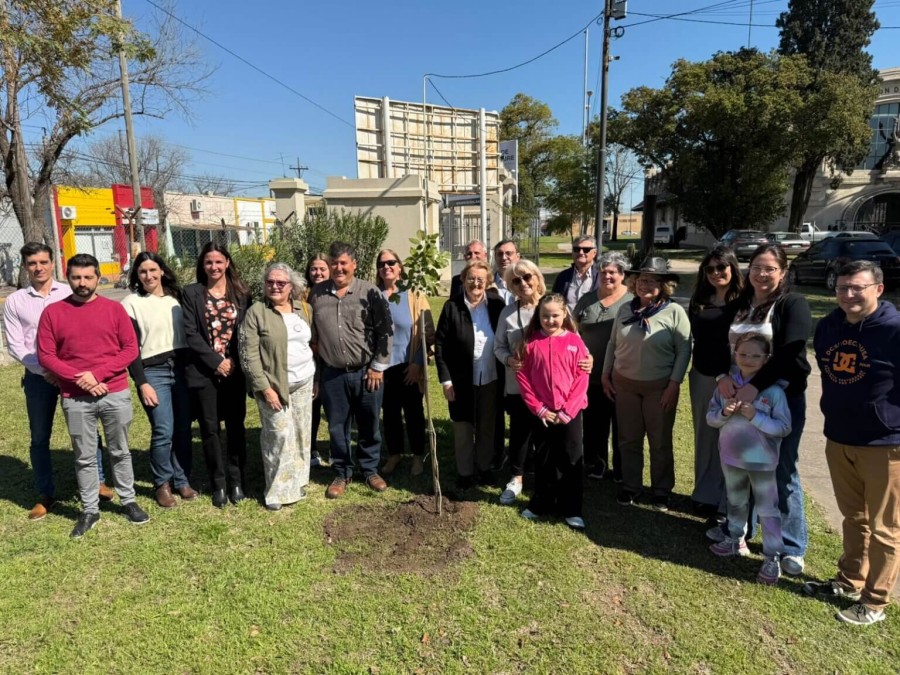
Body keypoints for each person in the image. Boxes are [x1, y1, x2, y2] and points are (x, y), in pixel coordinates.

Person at [806, 260, 900, 626]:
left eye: (856, 287)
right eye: (842, 287)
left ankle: (875, 601)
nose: (847, 295)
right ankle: (849, 580)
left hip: (884, 443)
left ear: (878, 289)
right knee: (854, 518)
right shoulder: (829, 325)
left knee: (885, 526)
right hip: (839, 436)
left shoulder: (893, 330)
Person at [710, 244, 811, 578]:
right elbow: (717, 344)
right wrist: (724, 376)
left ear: (783, 272)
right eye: (756, 267)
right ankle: (741, 531)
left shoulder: (792, 304)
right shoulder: (739, 305)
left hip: (777, 398)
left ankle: (791, 546)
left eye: (770, 268)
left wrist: (757, 386)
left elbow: (790, 354)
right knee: (743, 464)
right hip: (738, 398)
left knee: (781, 469)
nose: (762, 274)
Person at [37, 253, 148, 538]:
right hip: (75, 397)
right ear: (67, 277)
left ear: (98, 278)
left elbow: (129, 350)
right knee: (84, 455)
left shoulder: (114, 310)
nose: (82, 283)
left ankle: (129, 500)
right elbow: (46, 356)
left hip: (114, 392)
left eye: (88, 277)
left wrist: (97, 375)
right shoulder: (53, 313)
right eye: (76, 277)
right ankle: (89, 509)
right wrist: (82, 380)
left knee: (120, 450)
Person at [4, 243, 112, 520]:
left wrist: (67, 371)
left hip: (74, 376)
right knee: (40, 436)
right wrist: (45, 370)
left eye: (43, 262)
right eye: (32, 263)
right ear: (25, 266)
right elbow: (16, 344)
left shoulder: (70, 290)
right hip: (39, 378)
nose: (38, 268)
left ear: (54, 263)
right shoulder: (16, 301)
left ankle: (97, 480)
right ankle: (46, 493)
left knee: (87, 430)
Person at [602, 256, 691, 511]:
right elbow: (612, 343)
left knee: (659, 440)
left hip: (659, 388)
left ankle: (661, 490)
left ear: (663, 285)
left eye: (652, 280)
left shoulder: (674, 312)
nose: (645, 284)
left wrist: (674, 385)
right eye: (641, 279)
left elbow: (684, 350)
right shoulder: (625, 310)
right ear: (633, 283)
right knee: (628, 438)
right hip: (625, 385)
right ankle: (631, 486)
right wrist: (605, 374)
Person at [309, 241, 393, 499]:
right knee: (337, 425)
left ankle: (369, 469)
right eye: (334, 263)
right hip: (333, 373)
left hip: (366, 372)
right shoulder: (317, 294)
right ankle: (342, 471)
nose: (338, 268)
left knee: (369, 422)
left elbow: (385, 332)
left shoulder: (369, 292)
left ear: (354, 265)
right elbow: (313, 336)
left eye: (343, 263)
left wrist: (378, 367)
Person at [706, 333, 791, 585]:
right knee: (736, 501)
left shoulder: (773, 392)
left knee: (767, 509)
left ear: (767, 359)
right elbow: (711, 418)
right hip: (731, 458)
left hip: (763, 462)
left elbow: (784, 427)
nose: (749, 359)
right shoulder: (727, 387)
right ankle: (735, 539)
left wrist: (755, 416)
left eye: (756, 355)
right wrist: (724, 412)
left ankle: (771, 557)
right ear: (735, 355)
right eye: (743, 354)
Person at [121, 252, 198, 508]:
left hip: (182, 368)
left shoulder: (177, 299)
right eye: (143, 271)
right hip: (153, 372)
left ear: (162, 271)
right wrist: (142, 382)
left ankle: (182, 479)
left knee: (183, 428)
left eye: (153, 270)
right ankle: (162, 483)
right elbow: (130, 348)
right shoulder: (131, 303)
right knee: (163, 429)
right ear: (137, 275)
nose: (148, 276)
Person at [240, 262, 315, 511]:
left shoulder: (304, 309)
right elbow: (248, 355)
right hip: (273, 387)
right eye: (270, 282)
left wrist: (316, 378)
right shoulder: (257, 312)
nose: (275, 286)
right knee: (278, 436)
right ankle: (276, 491)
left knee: (301, 433)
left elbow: (309, 344)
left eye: (280, 283)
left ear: (290, 287)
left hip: (304, 382)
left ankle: (299, 482)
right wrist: (265, 388)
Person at [182, 242, 251, 509]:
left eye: (219, 262)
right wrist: (216, 362)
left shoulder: (242, 293)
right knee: (210, 429)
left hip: (234, 372)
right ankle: (218, 483)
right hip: (205, 372)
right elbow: (191, 334)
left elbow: (246, 332)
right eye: (209, 262)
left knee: (236, 426)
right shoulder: (192, 294)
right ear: (202, 265)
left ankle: (237, 479)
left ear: (227, 263)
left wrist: (233, 361)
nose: (214, 267)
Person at [516, 294, 590, 530]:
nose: (550, 320)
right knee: (544, 458)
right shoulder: (530, 343)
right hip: (543, 414)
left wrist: (568, 411)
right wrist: (539, 409)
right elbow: (523, 378)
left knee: (570, 458)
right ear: (538, 317)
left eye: (555, 315)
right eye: (545, 316)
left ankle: (572, 508)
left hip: (570, 412)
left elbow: (581, 378)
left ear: (564, 315)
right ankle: (541, 502)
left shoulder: (574, 342)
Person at [435, 259, 505, 493]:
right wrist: (446, 380)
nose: (476, 283)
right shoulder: (451, 307)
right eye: (471, 278)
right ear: (463, 280)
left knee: (487, 426)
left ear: (488, 282)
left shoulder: (496, 304)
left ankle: (484, 468)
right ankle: (465, 473)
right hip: (461, 379)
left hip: (491, 377)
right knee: (463, 427)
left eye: (480, 279)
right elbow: (441, 345)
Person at [688, 246, 743, 519]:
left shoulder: (746, 302)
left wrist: (729, 375)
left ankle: (728, 501)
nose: (715, 273)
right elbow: (701, 342)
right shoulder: (699, 300)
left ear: (732, 267)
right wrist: (717, 375)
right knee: (705, 435)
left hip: (737, 379)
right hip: (704, 376)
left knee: (731, 438)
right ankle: (704, 494)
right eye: (709, 269)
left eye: (721, 267)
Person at [574, 251, 633, 481]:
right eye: (603, 272)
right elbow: (572, 330)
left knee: (621, 424)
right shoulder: (587, 300)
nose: (607, 276)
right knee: (593, 423)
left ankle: (621, 468)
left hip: (622, 374)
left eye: (612, 272)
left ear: (622, 274)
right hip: (589, 376)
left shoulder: (631, 301)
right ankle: (596, 463)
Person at [376, 249, 435, 477]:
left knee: (413, 412)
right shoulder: (374, 295)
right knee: (389, 413)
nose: (386, 267)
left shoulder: (415, 294)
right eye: (382, 264)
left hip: (409, 365)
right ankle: (395, 454)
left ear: (400, 266)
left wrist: (418, 363)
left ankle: (418, 456)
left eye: (391, 262)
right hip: (383, 367)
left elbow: (428, 332)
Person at [494, 260, 546, 505]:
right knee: (519, 433)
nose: (523, 283)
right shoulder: (507, 312)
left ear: (536, 277)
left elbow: (573, 340)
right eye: (516, 280)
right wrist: (507, 360)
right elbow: (498, 347)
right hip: (518, 386)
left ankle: (545, 480)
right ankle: (516, 477)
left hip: (548, 387)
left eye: (527, 277)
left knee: (545, 433)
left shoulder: (553, 306)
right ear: (510, 286)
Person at [304, 254, 330, 467]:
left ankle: (337, 448)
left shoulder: (332, 292)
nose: (318, 273)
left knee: (334, 408)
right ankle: (310, 449)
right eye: (314, 269)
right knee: (312, 406)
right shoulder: (301, 295)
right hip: (309, 360)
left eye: (322, 269)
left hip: (331, 358)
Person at [552, 235, 599, 312]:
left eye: (586, 250)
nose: (581, 252)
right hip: (567, 323)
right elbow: (554, 302)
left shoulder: (602, 276)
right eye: (576, 249)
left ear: (594, 253)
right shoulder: (563, 277)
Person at [491, 239, 520, 305]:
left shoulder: (527, 282)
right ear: (495, 257)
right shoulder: (487, 284)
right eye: (500, 254)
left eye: (508, 253)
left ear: (518, 256)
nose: (504, 258)